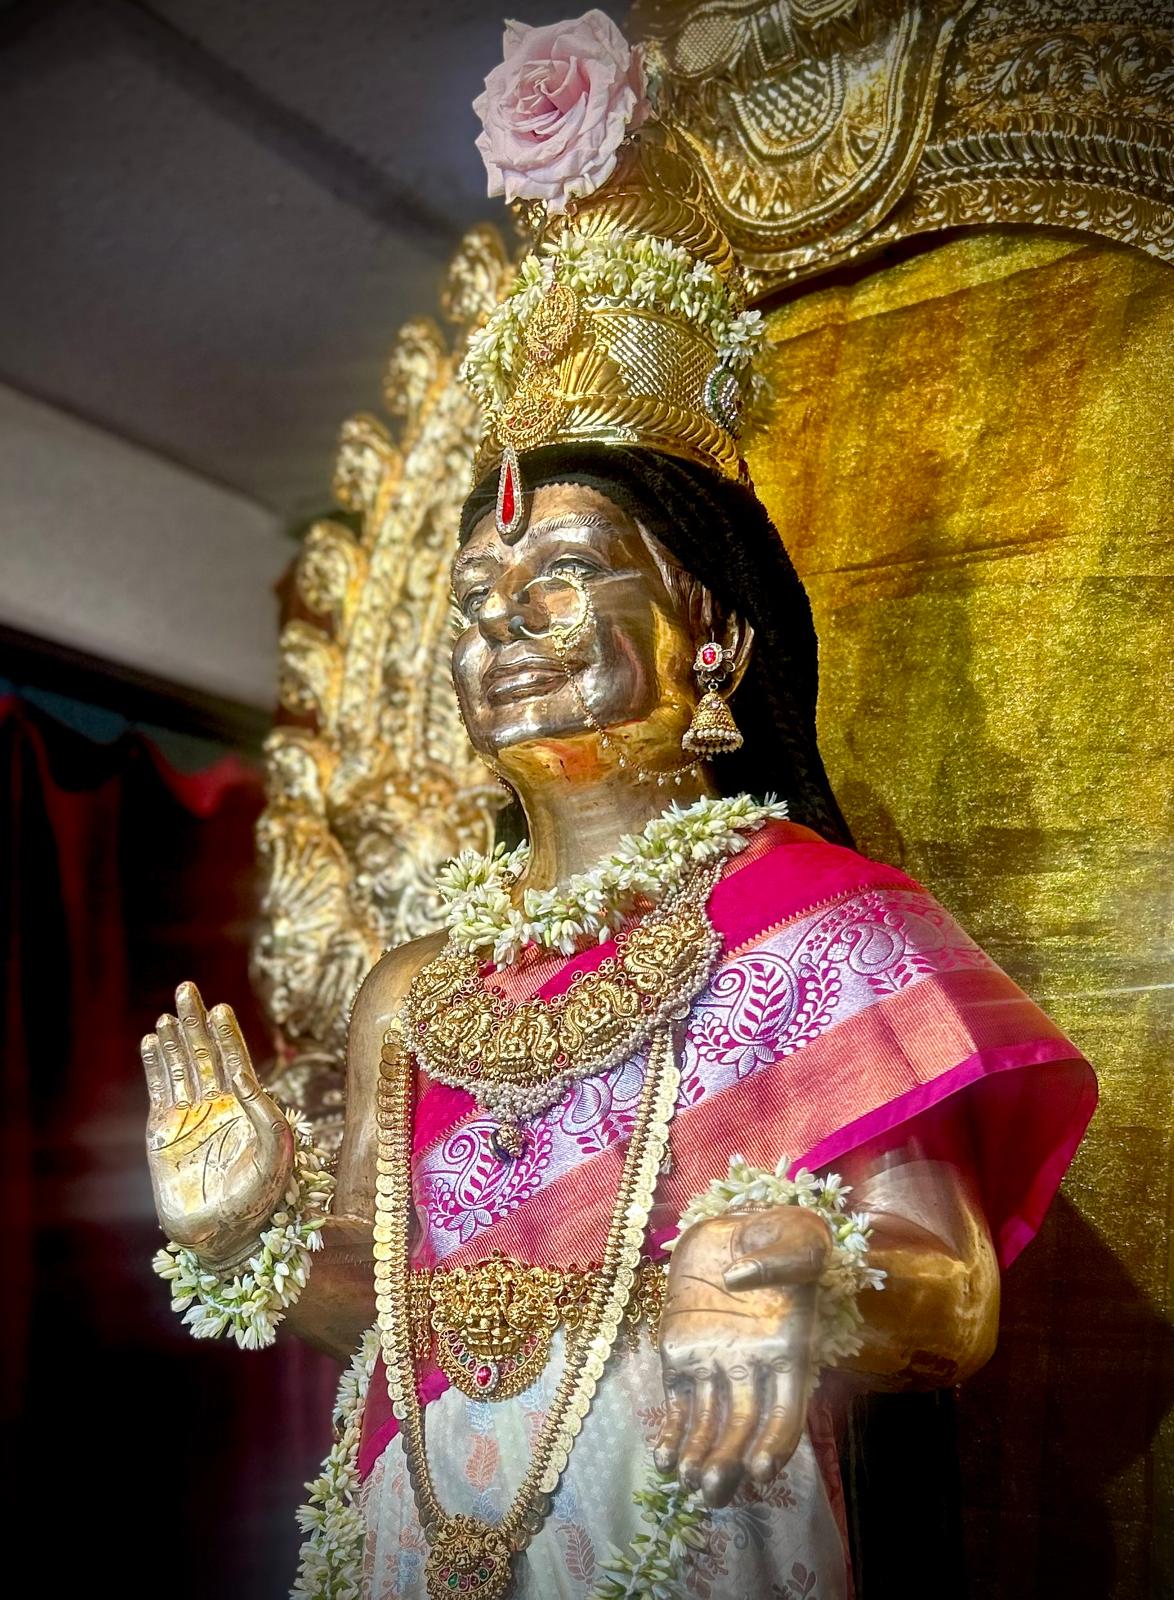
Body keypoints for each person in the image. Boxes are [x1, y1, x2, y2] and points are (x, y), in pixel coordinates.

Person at [141, 16, 1096, 1599]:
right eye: (473, 598)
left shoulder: (820, 932)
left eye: (565, 574)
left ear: (712, 643)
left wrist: (798, 1270)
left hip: (701, 1525)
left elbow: (949, 1304)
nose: (500, 627)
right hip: (424, 1539)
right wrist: (250, 1228)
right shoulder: (410, 993)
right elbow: (397, 1317)